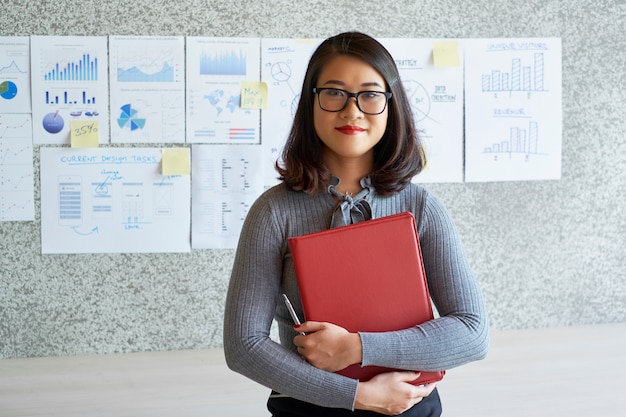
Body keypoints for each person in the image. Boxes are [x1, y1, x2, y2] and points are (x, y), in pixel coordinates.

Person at [224, 31, 489, 416]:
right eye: (334, 93)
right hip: (308, 406)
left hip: (409, 405)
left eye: (370, 94)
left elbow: (472, 332)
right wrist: (358, 396)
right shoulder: (273, 212)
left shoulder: (422, 207)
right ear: (310, 103)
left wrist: (358, 348)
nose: (352, 111)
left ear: (390, 105)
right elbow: (243, 345)